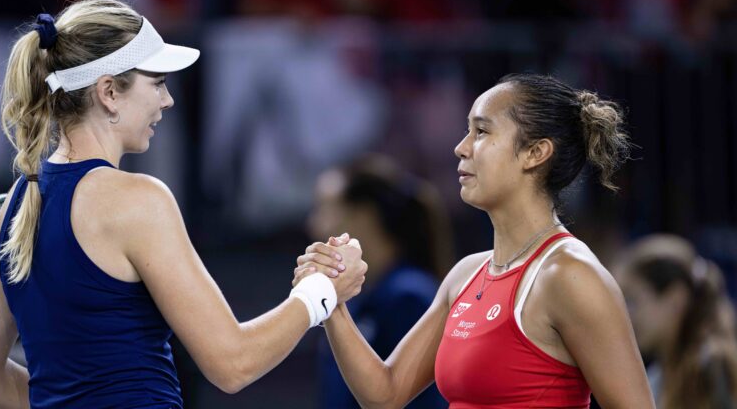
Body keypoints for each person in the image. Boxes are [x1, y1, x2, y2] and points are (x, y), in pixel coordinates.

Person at [0, 0, 366, 408]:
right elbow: (233, 363)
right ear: (109, 92)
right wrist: (323, 290)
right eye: (156, 82)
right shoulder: (139, 201)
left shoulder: (14, 209)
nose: (168, 100)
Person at [296, 73, 655, 407]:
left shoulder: (570, 275)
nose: (461, 147)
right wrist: (332, 301)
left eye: (481, 132)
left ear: (535, 153)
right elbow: (386, 394)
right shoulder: (465, 275)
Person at [308, 155, 451, 408]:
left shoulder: (410, 297)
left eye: (326, 209)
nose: (313, 225)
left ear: (363, 217)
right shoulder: (358, 297)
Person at [614, 234, 737, 408]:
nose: (627, 315)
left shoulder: (711, 366)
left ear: (675, 299)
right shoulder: (657, 376)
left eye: (633, 301)